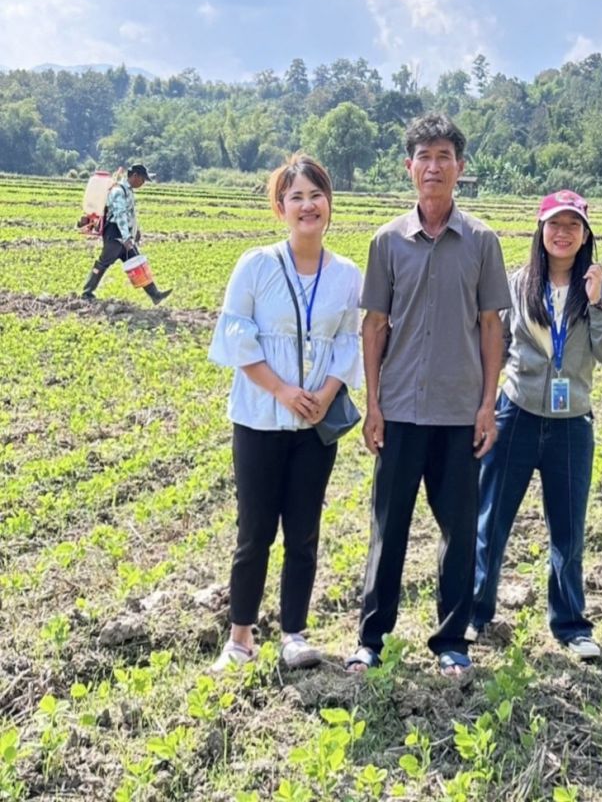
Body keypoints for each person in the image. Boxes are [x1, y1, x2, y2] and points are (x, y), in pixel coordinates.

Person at [346, 114, 511, 677]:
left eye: (445, 156)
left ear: (460, 169)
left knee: (459, 531)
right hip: (400, 410)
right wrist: (373, 403)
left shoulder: (483, 241)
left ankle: (450, 642)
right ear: (409, 167)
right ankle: (372, 639)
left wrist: (488, 404)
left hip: (460, 411)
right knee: (388, 528)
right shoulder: (387, 241)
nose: (434, 167)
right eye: (425, 157)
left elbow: (492, 326)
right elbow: (374, 327)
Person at [208, 154, 362, 671]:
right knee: (254, 531)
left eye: (315, 195)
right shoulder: (256, 265)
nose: (307, 205)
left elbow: (348, 339)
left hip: (315, 424)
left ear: (329, 204)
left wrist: (326, 391)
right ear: (280, 207)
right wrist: (282, 389)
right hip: (259, 418)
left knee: (304, 530)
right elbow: (237, 334)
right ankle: (241, 637)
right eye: (295, 196)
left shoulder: (346, 275)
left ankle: (294, 632)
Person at [469, 190, 602, 661]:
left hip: (572, 423)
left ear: (584, 235)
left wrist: (596, 306)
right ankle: (474, 615)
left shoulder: (601, 288)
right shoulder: (517, 286)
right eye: (554, 224)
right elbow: (493, 347)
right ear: (540, 230)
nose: (562, 233)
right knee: (491, 521)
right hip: (515, 414)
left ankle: (572, 626)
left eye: (572, 226)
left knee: (569, 530)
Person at [81, 164, 172, 305]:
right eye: (142, 179)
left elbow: (129, 214)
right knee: (103, 263)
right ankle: (86, 293)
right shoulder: (118, 191)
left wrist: (135, 231)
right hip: (115, 234)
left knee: (137, 262)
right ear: (134, 176)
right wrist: (126, 237)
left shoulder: (127, 191)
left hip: (123, 235)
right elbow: (120, 215)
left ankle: (155, 294)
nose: (143, 183)